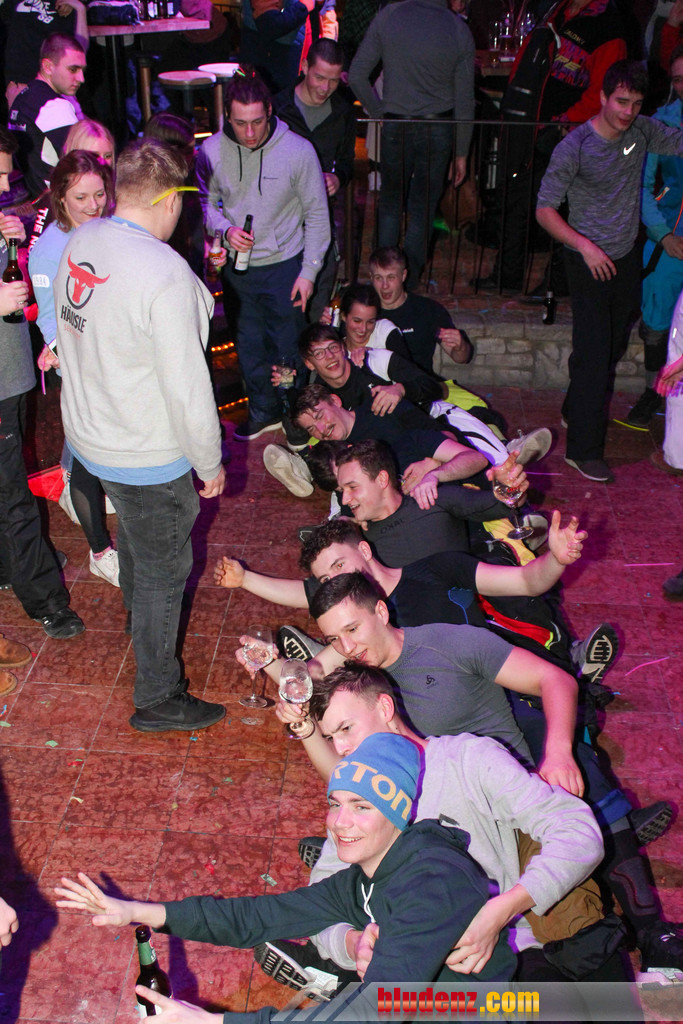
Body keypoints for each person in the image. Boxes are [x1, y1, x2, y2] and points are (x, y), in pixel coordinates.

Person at [55, 733, 516, 1022]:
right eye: (335, 804)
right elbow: (260, 916)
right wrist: (134, 911)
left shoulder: (432, 882)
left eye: (362, 807)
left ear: (396, 813)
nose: (339, 823)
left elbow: (375, 1010)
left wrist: (214, 1023)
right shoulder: (365, 878)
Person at [266, 664, 620, 989]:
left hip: (503, 952)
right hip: (413, 962)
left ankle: (339, 987)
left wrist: (502, 910)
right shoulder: (356, 789)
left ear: (385, 709)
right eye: (330, 738)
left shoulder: (466, 759)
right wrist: (351, 942)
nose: (341, 748)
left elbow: (577, 831)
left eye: (346, 729)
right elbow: (319, 900)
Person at [53, 138, 227, 732]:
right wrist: (209, 462)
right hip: (144, 452)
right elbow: (188, 389)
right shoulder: (165, 273)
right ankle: (157, 695)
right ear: (171, 200)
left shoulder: (84, 239)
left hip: (91, 439)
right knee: (162, 570)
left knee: (134, 541)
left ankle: (140, 622)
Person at [536, 59, 683, 482]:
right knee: (596, 355)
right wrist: (585, 246)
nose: (627, 111)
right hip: (586, 261)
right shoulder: (576, 146)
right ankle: (582, 451)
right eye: (621, 102)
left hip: (624, 258)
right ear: (602, 97)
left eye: (635, 103)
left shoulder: (642, 131)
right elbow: (545, 210)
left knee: (610, 345)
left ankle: (573, 407)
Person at [196, 67, 330, 441]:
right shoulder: (210, 151)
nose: (251, 132)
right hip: (238, 271)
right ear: (227, 117)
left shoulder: (298, 151)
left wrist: (309, 272)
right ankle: (262, 411)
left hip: (285, 266)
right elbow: (205, 205)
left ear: (270, 111)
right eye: (241, 123)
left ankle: (293, 415)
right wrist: (225, 230)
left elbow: (318, 215)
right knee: (249, 347)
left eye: (257, 121)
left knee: (286, 350)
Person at [0, 126, 85, 640]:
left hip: (9, 374)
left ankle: (10, 564)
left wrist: (7, 242)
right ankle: (46, 599)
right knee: (14, 491)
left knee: (7, 481)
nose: (5, 184)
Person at [29, 150, 119, 588]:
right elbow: (49, 319)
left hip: (116, 357)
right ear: (60, 197)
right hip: (82, 363)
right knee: (85, 459)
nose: (93, 204)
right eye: (81, 197)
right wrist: (62, 353)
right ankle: (100, 551)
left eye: (99, 194)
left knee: (103, 448)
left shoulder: (108, 228)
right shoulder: (49, 249)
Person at [348, 0, 475, 288]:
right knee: (423, 206)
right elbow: (465, 101)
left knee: (391, 202)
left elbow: (356, 75)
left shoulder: (389, 15)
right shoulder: (457, 28)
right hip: (439, 126)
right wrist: (462, 152)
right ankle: (408, 281)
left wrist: (379, 112)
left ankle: (382, 278)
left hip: (397, 122)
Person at [273, 38, 355, 321]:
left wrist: (338, 178)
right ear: (305, 66)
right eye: (319, 77)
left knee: (319, 287)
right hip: (281, 216)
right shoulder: (278, 107)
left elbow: (347, 162)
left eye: (333, 81)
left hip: (319, 215)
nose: (325, 88)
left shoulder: (343, 112)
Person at [629, 43, 683, 428]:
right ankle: (653, 390)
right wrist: (664, 236)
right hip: (669, 235)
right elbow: (642, 186)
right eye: (678, 79)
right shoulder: (662, 122)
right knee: (656, 319)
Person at [370, 245, 473, 372]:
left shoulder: (427, 310)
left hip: (419, 382)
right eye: (378, 278)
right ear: (371, 278)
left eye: (391, 277)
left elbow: (461, 358)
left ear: (403, 275)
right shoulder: (364, 311)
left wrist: (460, 347)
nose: (385, 286)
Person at [8, 33, 86, 200]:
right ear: (48, 67)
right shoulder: (54, 106)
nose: (81, 78)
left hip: (33, 200)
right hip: (55, 203)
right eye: (73, 69)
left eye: (82, 70)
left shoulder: (22, 98)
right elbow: (85, 163)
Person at [4, 0, 88, 109]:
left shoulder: (65, 4)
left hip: (56, 84)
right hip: (22, 81)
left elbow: (80, 50)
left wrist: (79, 8)